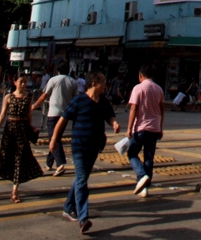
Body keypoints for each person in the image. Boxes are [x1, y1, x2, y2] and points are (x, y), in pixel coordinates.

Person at [50, 71, 120, 233]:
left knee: (81, 179)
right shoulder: (78, 100)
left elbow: (109, 116)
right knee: (82, 179)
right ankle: (83, 218)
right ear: (94, 84)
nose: (105, 84)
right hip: (79, 146)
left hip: (94, 146)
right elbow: (62, 120)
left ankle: (68, 207)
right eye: (103, 81)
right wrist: (54, 139)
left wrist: (114, 124)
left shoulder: (103, 101)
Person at [0, 72, 43, 202]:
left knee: (20, 159)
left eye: (25, 82)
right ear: (15, 83)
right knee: (4, 157)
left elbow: (29, 115)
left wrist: (30, 130)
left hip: (22, 130)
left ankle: (14, 191)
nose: (23, 84)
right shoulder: (8, 97)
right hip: (10, 130)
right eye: (21, 82)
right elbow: (2, 115)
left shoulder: (28, 97)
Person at [32, 62, 78, 176]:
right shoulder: (73, 82)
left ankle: (60, 163)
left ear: (58, 70)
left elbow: (44, 95)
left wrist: (34, 105)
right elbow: (76, 98)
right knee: (55, 137)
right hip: (65, 114)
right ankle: (49, 163)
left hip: (53, 113)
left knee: (54, 138)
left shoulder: (53, 80)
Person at [126, 64, 165, 198]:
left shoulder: (138, 88)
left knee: (132, 153)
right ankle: (145, 188)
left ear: (140, 75)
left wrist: (129, 128)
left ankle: (141, 176)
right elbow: (162, 110)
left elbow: (134, 108)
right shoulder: (159, 89)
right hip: (154, 128)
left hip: (141, 128)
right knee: (149, 158)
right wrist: (160, 127)